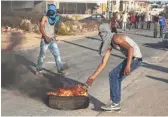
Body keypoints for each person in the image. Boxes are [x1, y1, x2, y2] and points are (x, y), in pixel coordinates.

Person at [86, 23, 142, 111]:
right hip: (132, 59)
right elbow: (103, 63)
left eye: (100, 32)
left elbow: (131, 48)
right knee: (116, 78)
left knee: (113, 75)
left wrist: (128, 66)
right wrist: (93, 77)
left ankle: (115, 103)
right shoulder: (109, 43)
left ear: (105, 32)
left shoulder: (116, 38)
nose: (99, 34)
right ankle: (115, 103)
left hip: (135, 58)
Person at [35, 4, 67, 76]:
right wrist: (46, 36)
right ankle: (38, 70)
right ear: (49, 10)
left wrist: (54, 37)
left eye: (53, 11)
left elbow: (53, 28)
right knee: (42, 55)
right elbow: (41, 28)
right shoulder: (45, 17)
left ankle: (60, 70)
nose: (51, 12)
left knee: (57, 55)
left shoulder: (54, 18)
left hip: (52, 40)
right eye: (50, 11)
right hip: (45, 40)